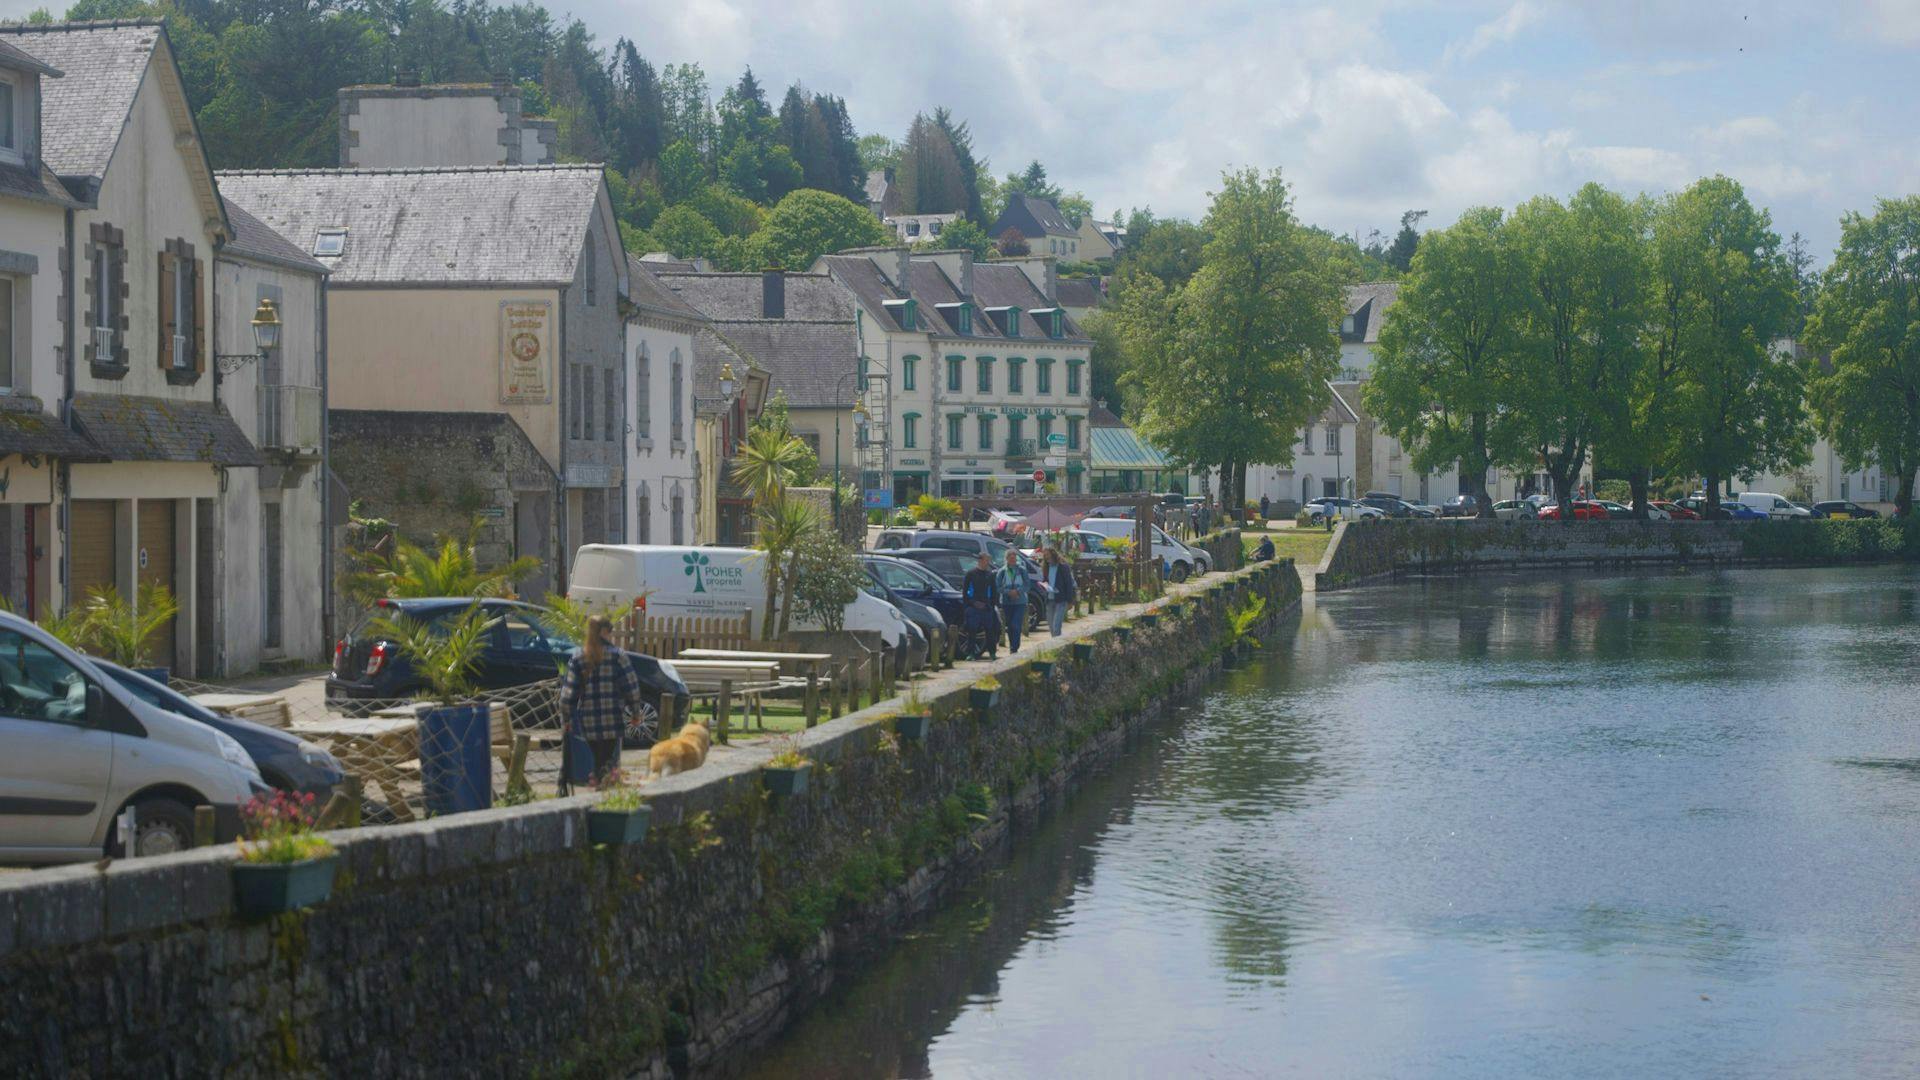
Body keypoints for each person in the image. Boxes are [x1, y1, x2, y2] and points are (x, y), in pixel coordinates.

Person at [559, 614, 642, 788]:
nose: (611, 635)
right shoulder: (618, 656)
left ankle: (598, 784)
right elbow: (631, 686)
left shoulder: (578, 657)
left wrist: (567, 719)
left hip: (588, 721)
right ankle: (603, 790)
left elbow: (568, 695)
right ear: (604, 631)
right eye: (610, 631)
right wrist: (635, 712)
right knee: (607, 760)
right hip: (613, 719)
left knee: (597, 758)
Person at [961, 551, 1001, 660]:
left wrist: (991, 605)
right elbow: (966, 592)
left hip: (987, 608)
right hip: (973, 607)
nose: (987, 563)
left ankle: (992, 653)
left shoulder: (990, 575)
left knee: (990, 632)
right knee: (972, 631)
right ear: (980, 560)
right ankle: (971, 654)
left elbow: (993, 592)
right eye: (985, 560)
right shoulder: (970, 574)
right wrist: (971, 604)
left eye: (988, 560)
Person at [996, 548, 1031, 653]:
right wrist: (1008, 592)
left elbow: (1027, 585)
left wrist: (1017, 592)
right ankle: (1012, 646)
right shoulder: (1002, 571)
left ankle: (1015, 647)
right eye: (1010, 558)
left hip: (1020, 602)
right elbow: (998, 587)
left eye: (1014, 558)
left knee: (1016, 624)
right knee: (1010, 626)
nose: (1012, 560)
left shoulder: (1022, 570)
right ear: (1006, 559)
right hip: (1007, 602)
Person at [1041, 547, 1077, 636]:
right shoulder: (1046, 567)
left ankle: (1057, 645)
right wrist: (1044, 586)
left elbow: (1068, 584)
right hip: (1049, 599)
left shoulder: (1063, 567)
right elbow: (1045, 581)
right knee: (1051, 627)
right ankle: (1056, 644)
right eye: (1045, 555)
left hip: (1061, 600)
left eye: (1047, 555)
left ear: (1053, 554)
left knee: (1056, 626)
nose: (1046, 557)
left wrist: (1070, 600)